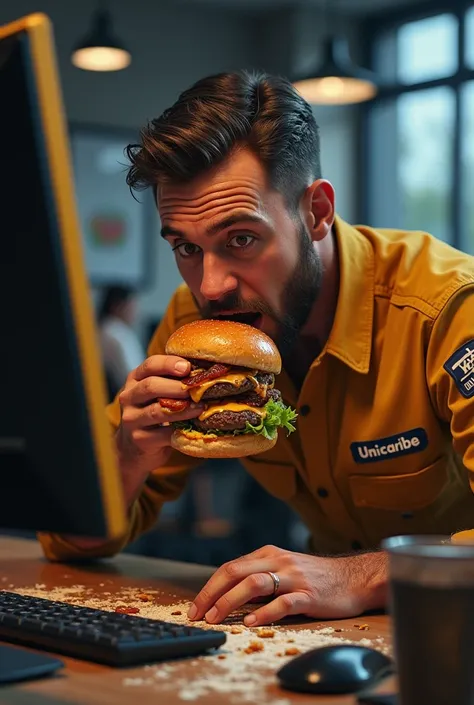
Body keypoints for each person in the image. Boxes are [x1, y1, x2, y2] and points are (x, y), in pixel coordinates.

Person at [39, 70, 474, 628]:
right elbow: (69, 542)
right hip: (338, 636)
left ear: (316, 212)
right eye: (186, 248)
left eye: (240, 239)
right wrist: (128, 455)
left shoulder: (447, 311)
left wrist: (355, 575)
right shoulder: (193, 322)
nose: (211, 285)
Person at [97, 284, 146, 400]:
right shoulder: (119, 334)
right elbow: (134, 376)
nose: (135, 313)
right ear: (118, 306)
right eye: (132, 306)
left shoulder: (101, 329)